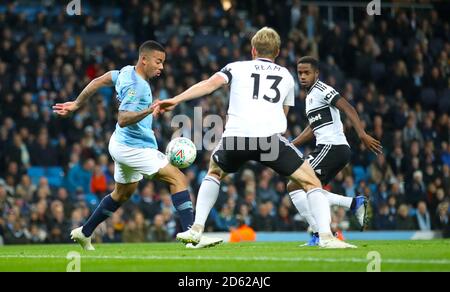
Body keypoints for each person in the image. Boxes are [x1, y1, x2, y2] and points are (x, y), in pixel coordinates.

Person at [154, 27, 356, 249]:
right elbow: (284, 115)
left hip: (235, 139)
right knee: (311, 182)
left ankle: (196, 229)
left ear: (252, 50)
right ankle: (326, 237)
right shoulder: (287, 76)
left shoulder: (235, 68)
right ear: (277, 51)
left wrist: (175, 99)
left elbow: (210, 85)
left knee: (214, 172)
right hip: (269, 140)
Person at [53, 40, 222, 250]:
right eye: (158, 62)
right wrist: (150, 110)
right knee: (178, 178)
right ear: (144, 60)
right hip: (133, 148)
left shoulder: (125, 72)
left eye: (163, 63)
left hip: (120, 142)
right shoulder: (138, 86)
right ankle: (192, 233)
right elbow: (123, 118)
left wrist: (77, 103)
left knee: (122, 193)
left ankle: (84, 232)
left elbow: (99, 80)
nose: (162, 67)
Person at [288, 56, 383, 246]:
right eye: (300, 73)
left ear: (316, 73)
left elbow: (348, 108)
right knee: (308, 187)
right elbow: (313, 128)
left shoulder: (323, 90)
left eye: (307, 72)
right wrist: (292, 144)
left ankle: (320, 234)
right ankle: (353, 205)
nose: (303, 76)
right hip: (330, 148)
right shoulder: (310, 97)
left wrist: (362, 134)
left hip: (332, 147)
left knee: (295, 184)